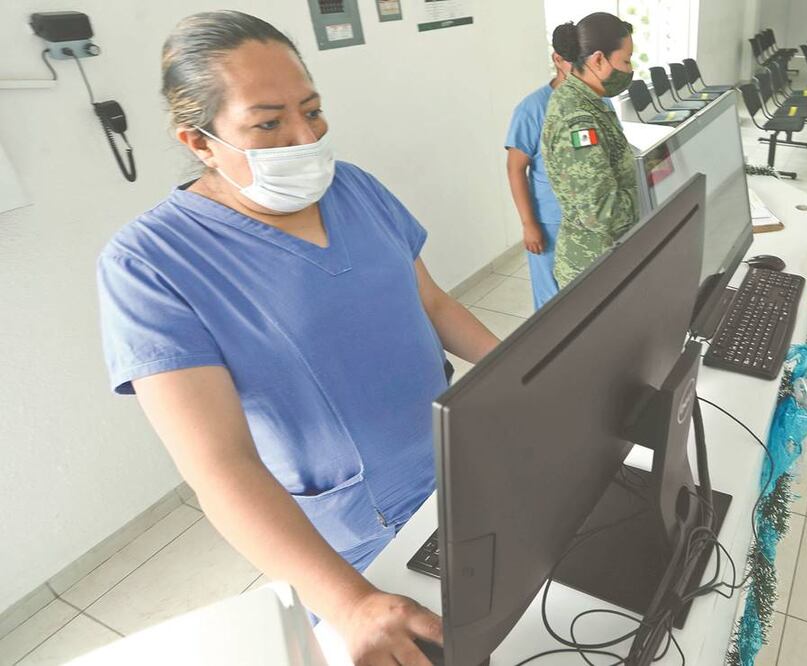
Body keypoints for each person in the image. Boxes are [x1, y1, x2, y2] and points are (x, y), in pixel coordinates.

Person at [96, 11, 500, 665]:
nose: (304, 136)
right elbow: (217, 465)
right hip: (356, 545)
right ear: (198, 142)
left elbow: (430, 301)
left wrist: (530, 369)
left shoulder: (356, 190)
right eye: (268, 122)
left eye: (311, 111)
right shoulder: (149, 264)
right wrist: (349, 602)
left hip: (461, 469)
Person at [505, 30, 613, 311]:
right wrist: (529, 224)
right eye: (573, 63)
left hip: (593, 219)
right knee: (553, 305)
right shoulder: (532, 109)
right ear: (557, 59)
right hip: (551, 223)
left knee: (591, 298)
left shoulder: (599, 100)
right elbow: (516, 170)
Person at [542, 13, 639, 288]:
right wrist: (649, 191)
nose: (630, 69)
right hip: (593, 270)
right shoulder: (578, 120)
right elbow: (600, 211)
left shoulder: (584, 100)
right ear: (598, 60)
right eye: (626, 60)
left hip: (605, 259)